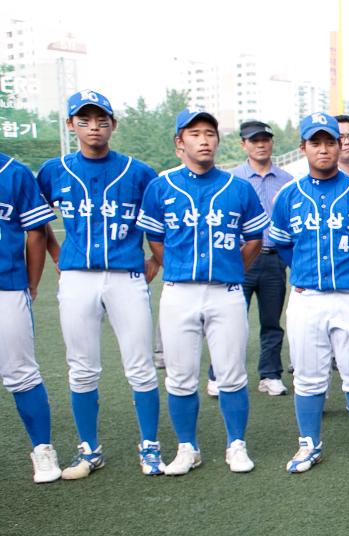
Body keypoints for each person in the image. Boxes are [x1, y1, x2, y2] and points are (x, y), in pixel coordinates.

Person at [37, 91, 164, 478]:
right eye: (85, 119)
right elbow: (36, 217)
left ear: (113, 123)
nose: (94, 126)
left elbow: (160, 221)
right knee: (81, 368)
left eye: (101, 119)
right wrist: (58, 255)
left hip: (126, 275)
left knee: (140, 366)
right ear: (71, 124)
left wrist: (154, 262)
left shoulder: (139, 172)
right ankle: (89, 449)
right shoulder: (53, 169)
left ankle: (150, 447)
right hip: (77, 277)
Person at [138, 108, 267, 475]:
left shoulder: (237, 187)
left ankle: (236, 445)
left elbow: (255, 238)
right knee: (179, 375)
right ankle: (186, 447)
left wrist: (230, 268)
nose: (204, 140)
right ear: (180, 142)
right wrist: (179, 266)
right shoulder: (161, 187)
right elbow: (156, 240)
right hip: (179, 290)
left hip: (226, 290)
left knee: (231, 374)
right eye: (195, 134)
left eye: (210, 133)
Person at [267, 112, 349, 473]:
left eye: (330, 141)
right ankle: (309, 443)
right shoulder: (288, 195)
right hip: (307, 297)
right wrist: (309, 273)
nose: (323, 148)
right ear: (304, 147)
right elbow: (284, 248)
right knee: (308, 375)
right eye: (315, 142)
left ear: (340, 146)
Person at [0, 151, 58, 482]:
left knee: (21, 372)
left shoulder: (13, 171)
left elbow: (36, 232)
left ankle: (43, 449)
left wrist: (31, 284)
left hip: (6, 285)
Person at [224, 120, 291, 397]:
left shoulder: (286, 181)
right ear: (244, 145)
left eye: (265, 139)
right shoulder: (232, 179)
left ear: (271, 142)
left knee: (271, 321)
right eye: (254, 140)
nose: (260, 144)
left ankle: (270, 374)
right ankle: (221, 373)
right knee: (229, 318)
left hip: (274, 258)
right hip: (240, 257)